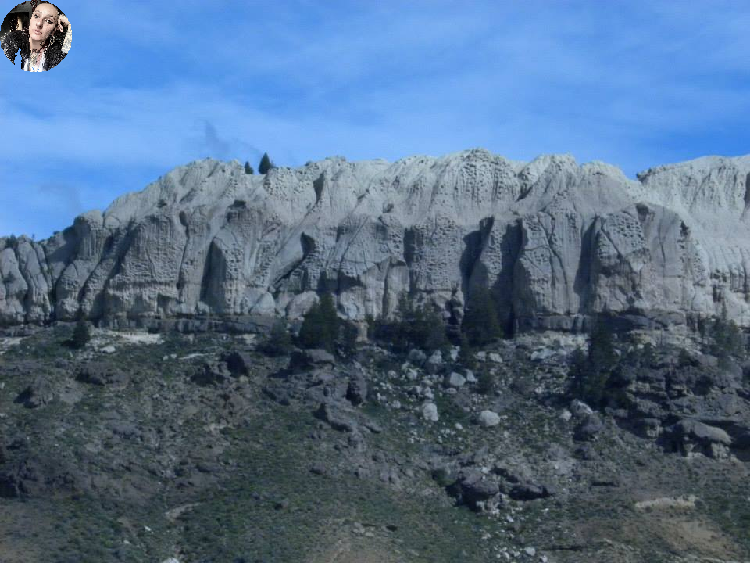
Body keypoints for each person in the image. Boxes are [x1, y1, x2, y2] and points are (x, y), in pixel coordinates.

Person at [1, 1, 70, 71]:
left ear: (54, 30)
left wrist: (69, 24)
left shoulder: (56, 52)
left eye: (49, 21)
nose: (39, 23)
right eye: (36, 16)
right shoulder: (13, 39)